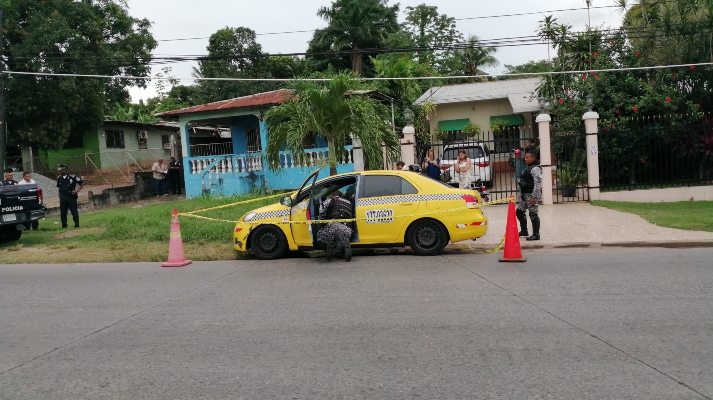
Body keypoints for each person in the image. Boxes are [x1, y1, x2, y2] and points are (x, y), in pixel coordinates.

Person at [316, 190, 353, 262]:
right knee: (341, 241)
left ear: (332, 195)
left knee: (320, 237)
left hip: (333, 226)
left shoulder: (328, 201)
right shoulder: (349, 203)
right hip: (347, 229)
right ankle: (344, 247)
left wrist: (320, 225)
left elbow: (321, 215)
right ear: (341, 196)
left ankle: (329, 244)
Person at [517, 150, 542, 241]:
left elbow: (537, 183)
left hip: (532, 195)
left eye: (527, 157)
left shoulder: (535, 168)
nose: (525, 159)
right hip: (525, 194)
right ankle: (524, 231)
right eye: (525, 157)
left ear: (533, 158)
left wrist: (534, 197)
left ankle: (536, 234)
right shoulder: (528, 167)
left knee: (533, 214)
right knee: (519, 211)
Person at [56, 164, 85, 229]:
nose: (59, 171)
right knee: (63, 212)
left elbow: (82, 182)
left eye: (61, 170)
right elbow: (58, 187)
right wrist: (59, 195)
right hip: (63, 196)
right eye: (59, 170)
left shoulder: (73, 177)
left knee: (74, 211)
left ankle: (76, 225)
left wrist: (77, 190)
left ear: (65, 170)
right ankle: (64, 226)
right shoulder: (59, 178)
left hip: (71, 196)